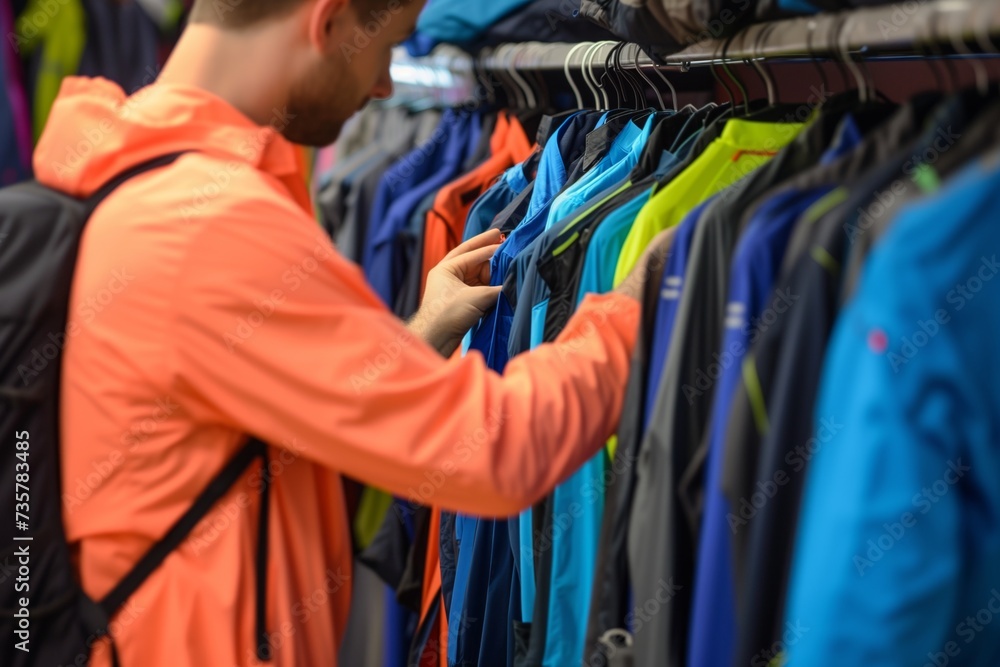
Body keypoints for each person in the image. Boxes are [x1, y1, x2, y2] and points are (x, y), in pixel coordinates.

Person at [33, 0, 667, 663]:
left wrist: (414, 340)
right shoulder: (210, 225)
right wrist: (635, 303)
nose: (386, 85)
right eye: (387, 47)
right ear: (327, 19)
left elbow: (248, 434)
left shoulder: (134, 170)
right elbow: (498, 450)